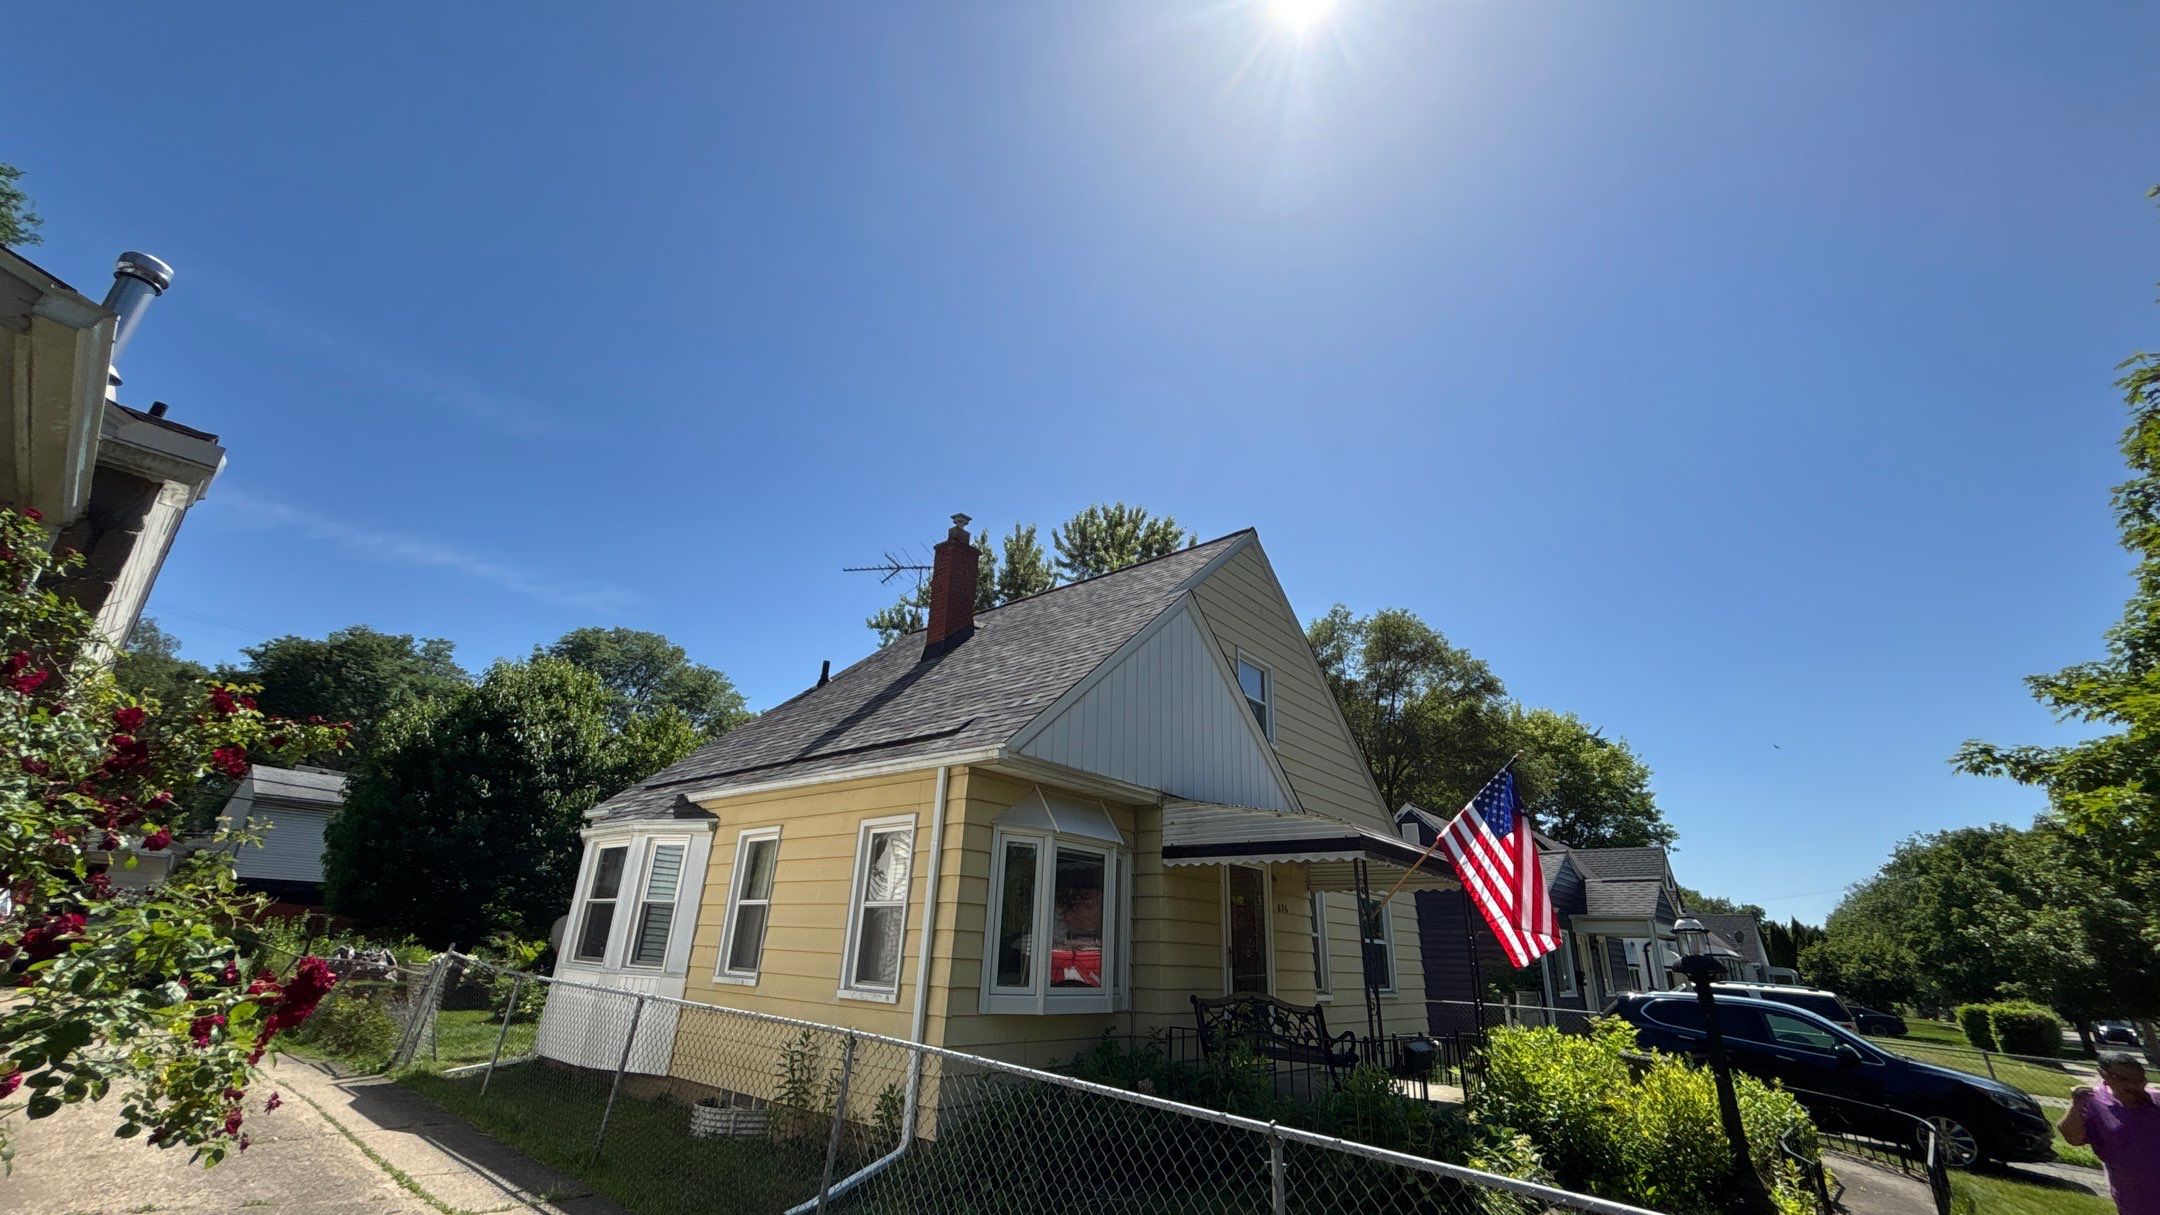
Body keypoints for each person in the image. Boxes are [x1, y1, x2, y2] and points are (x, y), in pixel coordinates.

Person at [2061, 1051, 2160, 1215]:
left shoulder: (2156, 1103)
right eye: (2123, 1079)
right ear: (2104, 1076)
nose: (2133, 1086)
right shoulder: (2096, 1107)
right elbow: (2073, 1137)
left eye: (2139, 1080)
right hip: (2134, 1200)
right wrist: (2077, 1104)